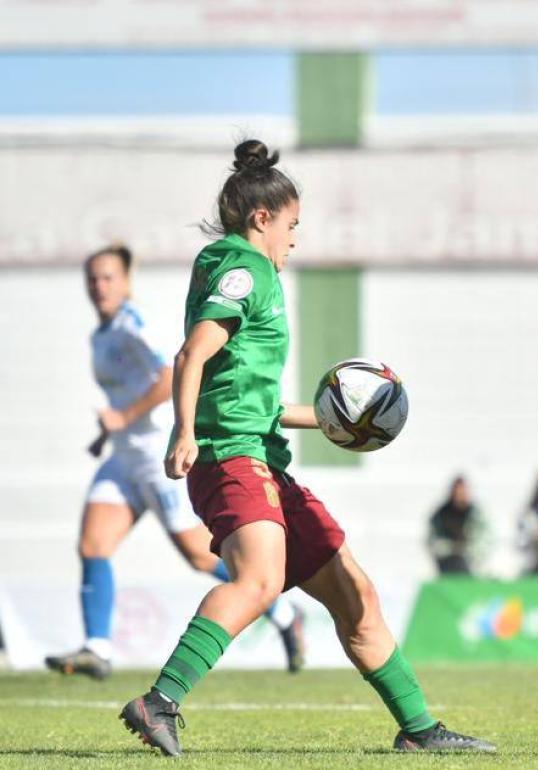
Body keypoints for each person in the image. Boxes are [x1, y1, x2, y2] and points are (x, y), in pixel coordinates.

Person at [118, 141, 493, 756]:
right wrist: (184, 431)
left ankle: (420, 730)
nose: (296, 237)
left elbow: (251, 398)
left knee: (356, 595)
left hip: (261, 457)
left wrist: (344, 421)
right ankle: (159, 702)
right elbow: (192, 353)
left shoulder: (245, 271)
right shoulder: (245, 268)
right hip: (233, 459)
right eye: (292, 224)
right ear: (262, 218)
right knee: (258, 582)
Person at [45, 244, 305, 682]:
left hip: (154, 455)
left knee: (200, 556)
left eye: (108, 277)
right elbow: (128, 392)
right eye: (92, 278)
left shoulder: (133, 325)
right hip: (124, 458)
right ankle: (97, 648)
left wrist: (126, 418)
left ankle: (281, 609)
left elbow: (170, 374)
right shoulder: (102, 334)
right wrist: (108, 432)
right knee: (93, 546)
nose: (99, 286)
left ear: (126, 282)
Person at [427, 475, 483, 576]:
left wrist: (470, 552)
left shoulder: (476, 515)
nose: (460, 494)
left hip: (471, 563)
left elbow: (484, 540)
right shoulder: (442, 514)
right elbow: (434, 542)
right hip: (446, 563)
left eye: (462, 491)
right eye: (457, 491)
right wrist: (452, 547)